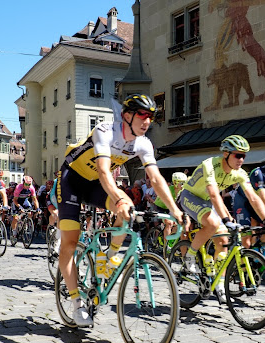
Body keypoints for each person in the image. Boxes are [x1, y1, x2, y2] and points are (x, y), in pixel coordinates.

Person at [57, 94, 183, 327]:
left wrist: (175, 209)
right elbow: (105, 172)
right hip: (72, 181)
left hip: (95, 185)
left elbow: (155, 178)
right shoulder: (105, 131)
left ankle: (109, 256)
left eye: (151, 117)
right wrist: (118, 199)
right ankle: (76, 303)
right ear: (127, 115)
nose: (147, 121)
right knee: (70, 243)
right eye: (142, 115)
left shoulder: (143, 143)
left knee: (128, 206)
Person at [179, 135, 265, 302]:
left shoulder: (239, 173)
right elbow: (213, 194)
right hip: (191, 196)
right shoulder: (210, 165)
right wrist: (226, 219)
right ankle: (189, 256)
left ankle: (219, 282)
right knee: (213, 223)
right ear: (226, 154)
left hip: (208, 202)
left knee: (223, 239)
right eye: (238, 155)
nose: (241, 159)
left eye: (244, 156)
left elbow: (253, 198)